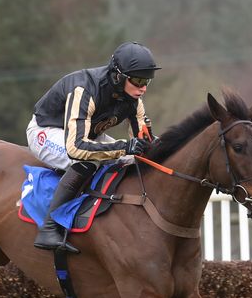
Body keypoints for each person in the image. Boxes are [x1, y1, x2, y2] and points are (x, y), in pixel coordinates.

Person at [26, 41, 160, 253]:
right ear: (118, 76)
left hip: (86, 134)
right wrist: (125, 147)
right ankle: (49, 228)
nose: (143, 87)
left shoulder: (134, 99)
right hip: (46, 131)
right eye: (138, 80)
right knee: (87, 161)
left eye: (147, 81)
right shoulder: (85, 89)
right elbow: (76, 148)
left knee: (131, 159)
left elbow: (146, 142)